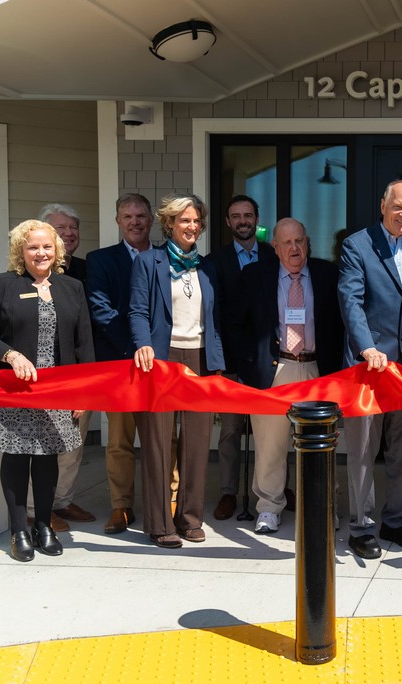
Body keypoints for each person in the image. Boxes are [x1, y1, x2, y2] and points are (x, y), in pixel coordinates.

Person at [0, 220, 94, 562]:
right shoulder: (2, 285)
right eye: (32, 247)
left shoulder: (72, 287)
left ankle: (43, 526)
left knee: (47, 459)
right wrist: (10, 355)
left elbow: (84, 342)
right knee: (16, 457)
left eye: (47, 247)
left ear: (57, 250)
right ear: (20, 252)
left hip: (56, 389)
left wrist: (83, 391)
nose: (41, 253)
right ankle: (18, 530)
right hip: (15, 388)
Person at [338, 179, 402, 560]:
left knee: (400, 451)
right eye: (398, 207)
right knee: (362, 450)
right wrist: (367, 348)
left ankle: (396, 520)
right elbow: (351, 301)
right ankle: (360, 527)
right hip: (368, 369)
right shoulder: (356, 245)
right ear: (383, 206)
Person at [231, 218, 343, 535]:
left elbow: (340, 323)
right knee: (270, 444)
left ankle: (324, 507)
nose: (295, 248)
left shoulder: (327, 275)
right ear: (275, 247)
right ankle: (268, 507)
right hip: (274, 368)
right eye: (287, 243)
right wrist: (248, 366)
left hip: (316, 369)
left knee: (321, 445)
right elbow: (236, 323)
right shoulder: (255, 276)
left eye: (300, 242)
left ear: (307, 243)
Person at [128, 193, 224, 548]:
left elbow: (214, 319)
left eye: (197, 220)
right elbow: (137, 310)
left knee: (197, 442)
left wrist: (218, 362)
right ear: (169, 224)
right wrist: (143, 344)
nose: (192, 226)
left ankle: (189, 517)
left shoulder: (207, 266)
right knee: (157, 442)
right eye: (185, 220)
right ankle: (158, 523)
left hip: (200, 357)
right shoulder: (147, 262)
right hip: (161, 358)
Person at [86, 193, 155, 534]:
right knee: (119, 441)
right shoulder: (100, 260)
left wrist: (153, 349)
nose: (134, 222)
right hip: (120, 363)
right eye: (127, 216)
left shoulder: (165, 259)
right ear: (117, 221)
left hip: (160, 365)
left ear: (151, 220)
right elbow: (101, 310)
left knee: (163, 438)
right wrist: (136, 347)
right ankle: (121, 506)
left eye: (140, 215)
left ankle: (166, 501)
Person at [24, 204, 94, 532]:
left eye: (73, 228)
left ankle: (62, 501)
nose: (68, 234)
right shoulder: (18, 277)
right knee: (40, 444)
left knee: (72, 441)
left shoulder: (84, 270)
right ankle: (35, 508)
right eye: (60, 228)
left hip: (75, 371)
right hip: (35, 374)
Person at [209, 194, 275, 521]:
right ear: (228, 222)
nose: (243, 221)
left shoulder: (273, 255)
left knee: (271, 430)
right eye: (236, 216)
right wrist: (219, 361)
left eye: (248, 215)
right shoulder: (215, 261)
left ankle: (272, 487)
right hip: (233, 360)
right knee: (231, 430)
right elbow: (215, 314)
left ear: (257, 218)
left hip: (267, 358)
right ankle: (227, 491)